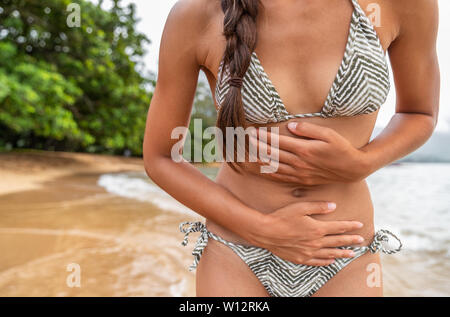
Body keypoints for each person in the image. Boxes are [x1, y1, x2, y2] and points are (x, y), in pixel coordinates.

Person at [143, 0, 440, 297]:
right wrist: (261, 228)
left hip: (345, 255)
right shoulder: (197, 13)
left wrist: (364, 162)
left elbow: (420, 113)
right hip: (235, 253)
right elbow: (161, 157)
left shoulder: (402, 4)